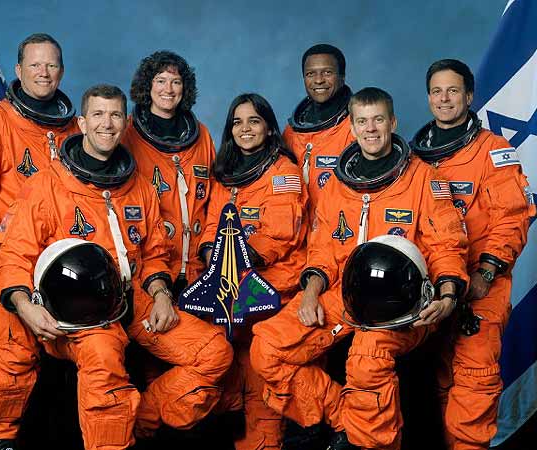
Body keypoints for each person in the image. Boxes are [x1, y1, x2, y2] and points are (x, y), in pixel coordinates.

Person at [0, 85, 233, 450]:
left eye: (116, 115)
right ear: (82, 122)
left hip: (133, 298)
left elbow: (154, 251)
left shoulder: (138, 187)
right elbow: (15, 254)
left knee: (214, 352)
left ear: (126, 122)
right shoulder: (47, 185)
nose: (108, 124)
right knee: (104, 367)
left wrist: (162, 293)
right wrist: (26, 306)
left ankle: (145, 418)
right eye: (99, 115)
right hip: (80, 313)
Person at [250, 87, 469, 450]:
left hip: (406, 304)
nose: (371, 129)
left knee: (367, 358)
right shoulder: (338, 184)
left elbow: (446, 245)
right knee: (267, 348)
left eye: (379, 119)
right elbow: (321, 249)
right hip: (344, 295)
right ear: (351, 128)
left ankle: (371, 444)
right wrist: (311, 292)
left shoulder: (424, 179)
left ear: (393, 123)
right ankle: (347, 422)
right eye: (363, 121)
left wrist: (447, 294)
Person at [0, 33, 79, 449]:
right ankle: (2, 440)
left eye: (52, 65)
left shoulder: (74, 129)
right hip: (7, 258)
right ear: (18, 70)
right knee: (15, 347)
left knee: (83, 349)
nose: (44, 73)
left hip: (61, 261)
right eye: (35, 65)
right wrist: (8, 255)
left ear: (61, 71)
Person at [410, 59, 535, 450]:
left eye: (452, 91)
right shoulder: (414, 157)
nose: (444, 99)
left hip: (480, 287)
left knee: (473, 381)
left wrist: (486, 272)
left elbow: (512, 219)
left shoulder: (494, 151)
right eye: (436, 91)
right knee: (432, 383)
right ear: (428, 97)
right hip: (429, 287)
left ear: (468, 96)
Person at [198, 93, 308, 449]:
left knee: (261, 376)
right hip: (229, 289)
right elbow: (210, 224)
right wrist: (210, 252)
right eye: (238, 122)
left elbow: (279, 235)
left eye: (254, 121)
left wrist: (233, 260)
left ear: (269, 127)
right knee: (224, 369)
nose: (246, 129)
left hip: (273, 289)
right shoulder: (225, 174)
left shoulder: (283, 173)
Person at [122, 50, 216, 297]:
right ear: (147, 85)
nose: (169, 89)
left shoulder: (202, 136)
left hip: (199, 267)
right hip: (152, 270)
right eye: (160, 80)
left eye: (176, 82)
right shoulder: (127, 136)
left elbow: (215, 198)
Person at [283, 43, 356, 208]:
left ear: (342, 76)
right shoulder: (291, 132)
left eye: (327, 72)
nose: (318, 80)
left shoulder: (357, 127)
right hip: (299, 228)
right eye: (310, 74)